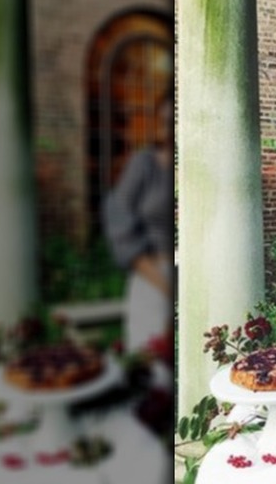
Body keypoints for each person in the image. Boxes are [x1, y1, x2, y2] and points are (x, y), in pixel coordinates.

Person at [103, 95, 174, 356]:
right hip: (150, 276)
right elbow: (119, 221)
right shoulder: (143, 164)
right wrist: (165, 285)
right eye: (165, 121)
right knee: (149, 359)